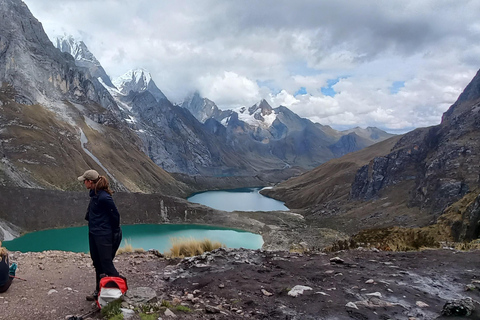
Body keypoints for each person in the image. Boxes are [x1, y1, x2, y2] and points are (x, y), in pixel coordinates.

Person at [78, 169, 122, 301]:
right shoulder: (94, 194)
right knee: (97, 263)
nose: (83, 183)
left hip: (104, 236)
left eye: (84, 181)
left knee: (107, 264)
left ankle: (120, 290)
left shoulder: (104, 197)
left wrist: (114, 233)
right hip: (94, 234)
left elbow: (115, 216)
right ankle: (99, 291)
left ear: (89, 182)